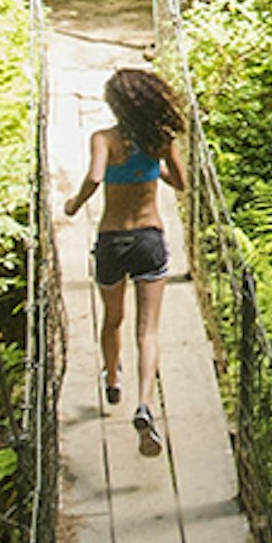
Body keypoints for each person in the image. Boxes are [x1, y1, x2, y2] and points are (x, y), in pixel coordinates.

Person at [63, 65, 188, 413]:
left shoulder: (103, 139)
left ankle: (112, 379)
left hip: (112, 241)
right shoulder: (160, 140)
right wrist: (156, 166)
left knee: (112, 318)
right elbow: (180, 182)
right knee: (147, 331)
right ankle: (146, 403)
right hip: (149, 239)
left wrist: (74, 204)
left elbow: (95, 176)